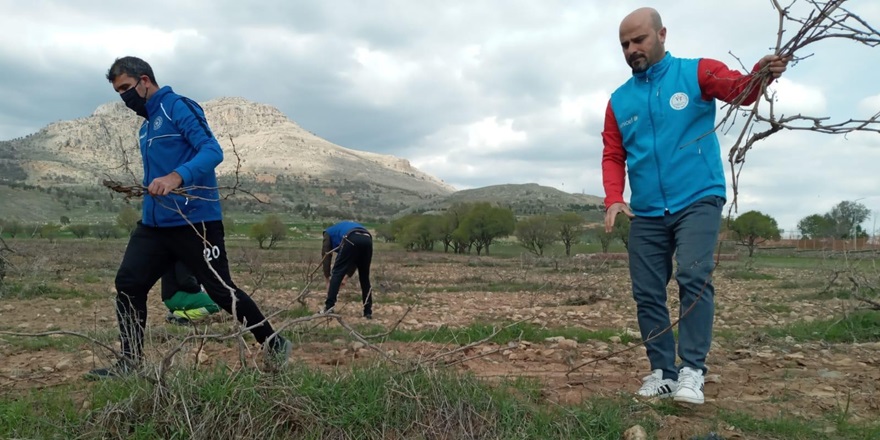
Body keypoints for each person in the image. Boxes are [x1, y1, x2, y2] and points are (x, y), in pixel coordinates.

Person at [602, 8, 789, 404]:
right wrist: (615, 198)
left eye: (639, 40)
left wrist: (761, 72)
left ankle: (691, 371)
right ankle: (662, 372)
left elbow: (741, 90)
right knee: (648, 292)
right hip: (647, 210)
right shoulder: (619, 101)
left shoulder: (698, 72)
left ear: (662, 34)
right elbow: (613, 154)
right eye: (625, 44)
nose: (632, 49)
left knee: (693, 274)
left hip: (698, 197)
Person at [87, 56, 291, 379]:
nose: (124, 98)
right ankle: (130, 364)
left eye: (126, 88)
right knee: (128, 284)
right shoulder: (145, 129)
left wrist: (175, 177)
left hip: (196, 223)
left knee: (222, 291)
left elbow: (212, 151)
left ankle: (274, 342)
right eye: (118, 92)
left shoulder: (176, 107)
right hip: (155, 227)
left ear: (145, 80)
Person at [319, 221, 374, 319]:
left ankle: (328, 308)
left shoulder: (327, 233)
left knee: (337, 272)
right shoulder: (341, 229)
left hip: (351, 237)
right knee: (364, 277)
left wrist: (327, 279)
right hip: (367, 238)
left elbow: (326, 255)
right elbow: (355, 259)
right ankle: (367, 312)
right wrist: (346, 277)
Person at [162, 261, 220, 325]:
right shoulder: (183, 258)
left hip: (170, 299)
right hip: (177, 297)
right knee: (217, 304)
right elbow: (185, 281)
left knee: (209, 299)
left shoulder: (178, 255)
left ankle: (173, 313)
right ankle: (182, 315)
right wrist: (200, 289)